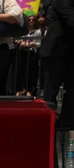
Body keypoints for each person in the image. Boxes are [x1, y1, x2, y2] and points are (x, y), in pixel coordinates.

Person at [40, 0, 74, 129]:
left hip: (69, 54)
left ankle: (66, 126)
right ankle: (47, 126)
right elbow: (71, 19)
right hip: (55, 53)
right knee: (50, 93)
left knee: (71, 93)